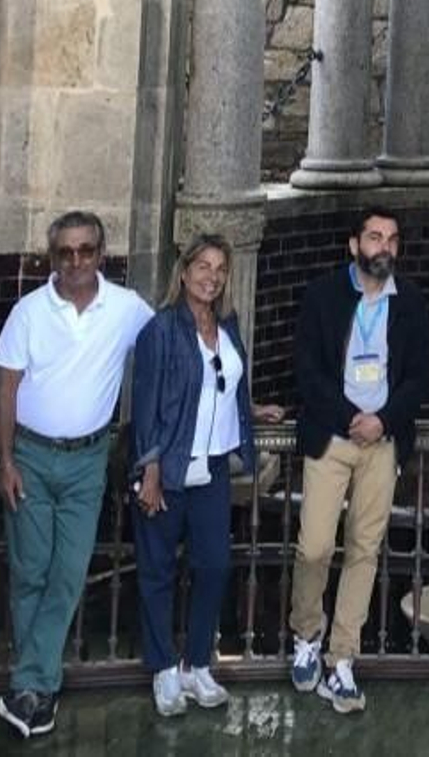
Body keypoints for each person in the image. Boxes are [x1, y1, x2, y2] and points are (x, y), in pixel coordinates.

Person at [0, 212, 153, 738]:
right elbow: (5, 389)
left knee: (67, 572)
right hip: (31, 456)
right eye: (66, 252)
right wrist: (6, 461)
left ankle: (29, 684)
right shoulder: (29, 312)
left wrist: (240, 401)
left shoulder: (126, 309)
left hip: (87, 461)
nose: (76, 261)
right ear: (52, 257)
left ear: (101, 255)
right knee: (31, 570)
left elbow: (171, 347)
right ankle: (36, 687)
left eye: (86, 250)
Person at [131, 233, 285, 717]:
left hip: (213, 468)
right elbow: (146, 406)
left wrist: (251, 411)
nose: (211, 276)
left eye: (220, 268)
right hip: (170, 467)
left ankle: (197, 662)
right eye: (203, 266)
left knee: (214, 566)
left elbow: (225, 382)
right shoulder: (161, 330)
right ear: (183, 271)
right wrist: (149, 470)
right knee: (157, 570)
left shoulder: (228, 324)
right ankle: (163, 669)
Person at [288, 207, 429, 712]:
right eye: (374, 237)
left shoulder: (410, 302)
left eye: (392, 239)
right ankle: (306, 634)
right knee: (315, 546)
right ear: (354, 245)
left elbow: (420, 376)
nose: (384, 247)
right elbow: (306, 368)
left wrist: (385, 419)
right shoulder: (323, 295)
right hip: (333, 437)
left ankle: (342, 659)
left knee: (364, 549)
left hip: (383, 441)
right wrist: (351, 416)